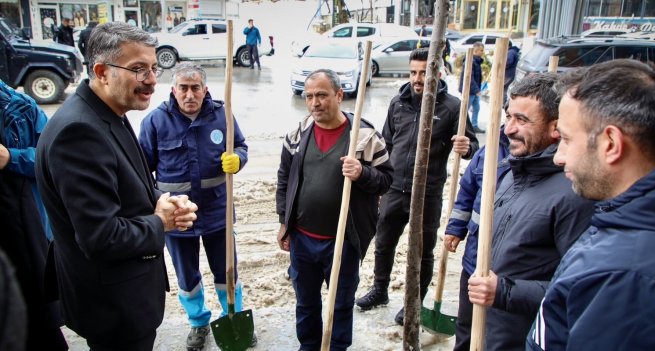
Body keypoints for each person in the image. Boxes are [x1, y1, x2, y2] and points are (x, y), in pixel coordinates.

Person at [35, 22, 198, 351]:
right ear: (102, 71)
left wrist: (162, 200)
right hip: (113, 305)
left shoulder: (108, 110)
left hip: (121, 297)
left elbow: (129, 182)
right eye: (138, 69)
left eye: (154, 67)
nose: (152, 80)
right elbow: (100, 237)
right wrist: (160, 222)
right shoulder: (79, 133)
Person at [527, 59, 655, 350]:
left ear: (611, 144)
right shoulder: (633, 220)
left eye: (567, 140)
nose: (559, 157)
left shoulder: (626, 280)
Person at [465, 73, 594, 351]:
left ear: (555, 128)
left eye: (522, 120)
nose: (508, 129)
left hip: (525, 338)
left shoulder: (574, 195)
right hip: (489, 331)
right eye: (508, 116)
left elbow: (579, 291)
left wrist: (503, 292)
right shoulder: (515, 171)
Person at [355, 47, 479, 325]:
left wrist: (466, 146)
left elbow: (473, 147)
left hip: (427, 192)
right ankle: (380, 290)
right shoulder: (398, 103)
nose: (418, 78)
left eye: (424, 72)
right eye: (413, 72)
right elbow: (384, 144)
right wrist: (377, 182)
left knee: (422, 251)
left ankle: (414, 302)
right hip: (393, 188)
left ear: (439, 72)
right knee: (384, 243)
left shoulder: (453, 108)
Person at [276, 69, 393, 350]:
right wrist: (284, 221)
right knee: (306, 303)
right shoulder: (297, 134)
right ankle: (309, 346)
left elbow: (387, 180)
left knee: (340, 305)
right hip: (302, 239)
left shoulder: (364, 136)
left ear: (339, 96)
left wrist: (362, 173)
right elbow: (284, 180)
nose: (315, 103)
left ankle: (338, 347)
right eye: (309, 96)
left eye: (322, 95)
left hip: (344, 241)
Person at [138, 62, 249, 351]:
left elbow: (241, 146)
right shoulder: (155, 122)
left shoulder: (222, 117)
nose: (189, 95)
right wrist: (159, 203)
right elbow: (140, 172)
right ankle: (198, 322)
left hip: (218, 213)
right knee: (187, 277)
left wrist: (237, 158)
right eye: (183, 88)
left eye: (195, 88)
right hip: (177, 218)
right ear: (173, 90)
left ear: (205, 89)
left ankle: (233, 317)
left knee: (227, 272)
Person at [0, 80, 67, 349]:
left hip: (25, 240)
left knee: (38, 328)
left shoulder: (19, 108)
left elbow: (52, 158)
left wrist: (10, 157)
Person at [443, 126, 510, 350]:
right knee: (466, 325)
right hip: (475, 258)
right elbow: (467, 192)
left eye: (522, 118)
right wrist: (455, 228)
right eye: (509, 115)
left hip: (509, 270)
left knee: (497, 332)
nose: (512, 126)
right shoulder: (489, 152)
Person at [459, 42, 485, 133]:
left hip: (474, 90)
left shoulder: (476, 61)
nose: (482, 52)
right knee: (465, 109)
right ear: (475, 51)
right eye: (481, 50)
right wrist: (476, 90)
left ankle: (474, 125)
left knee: (476, 107)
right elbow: (470, 78)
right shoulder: (470, 61)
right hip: (469, 90)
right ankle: (463, 126)